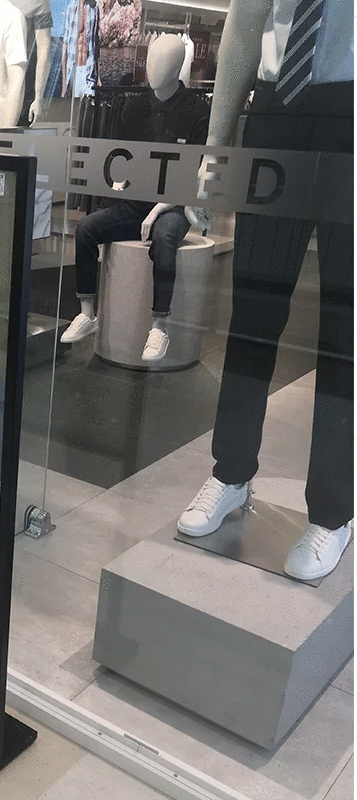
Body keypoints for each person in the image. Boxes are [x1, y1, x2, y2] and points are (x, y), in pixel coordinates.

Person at [178, 0, 353, 581]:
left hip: (351, 109)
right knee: (253, 309)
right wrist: (215, 145)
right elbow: (247, 23)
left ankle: (333, 512)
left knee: (346, 324)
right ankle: (231, 472)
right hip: (276, 108)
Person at [61, 34, 210, 362]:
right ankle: (87, 311)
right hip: (135, 204)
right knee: (86, 229)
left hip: (174, 206)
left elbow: (195, 175)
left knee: (164, 237)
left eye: (164, 61)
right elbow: (124, 158)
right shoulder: (135, 107)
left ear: (178, 65)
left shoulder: (197, 111)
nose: (154, 68)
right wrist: (119, 184)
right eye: (151, 60)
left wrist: (158, 210)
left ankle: (159, 326)